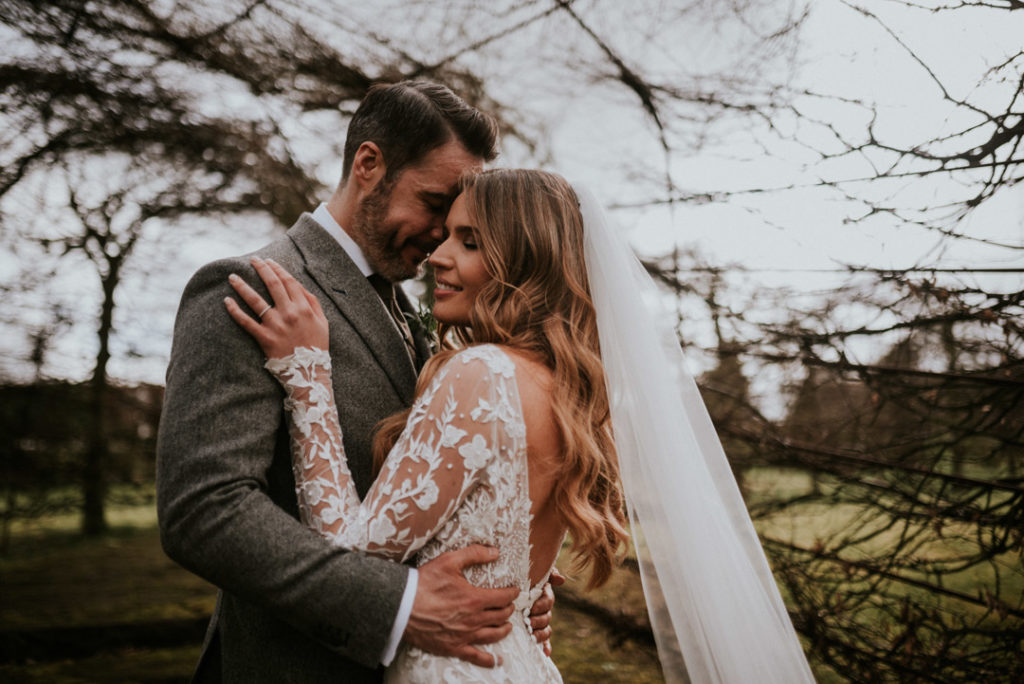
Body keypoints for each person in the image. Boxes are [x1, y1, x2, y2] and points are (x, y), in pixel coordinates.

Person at [223, 169, 818, 683]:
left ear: (525, 260)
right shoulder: (578, 397)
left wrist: (306, 375)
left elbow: (344, 554)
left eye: (471, 242)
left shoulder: (481, 373)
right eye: (447, 235)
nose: (438, 256)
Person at [156, 82, 556, 684]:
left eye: (459, 223)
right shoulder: (251, 289)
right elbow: (204, 510)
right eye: (433, 202)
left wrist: (508, 586)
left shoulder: (432, 318)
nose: (440, 234)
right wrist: (398, 605)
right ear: (368, 164)